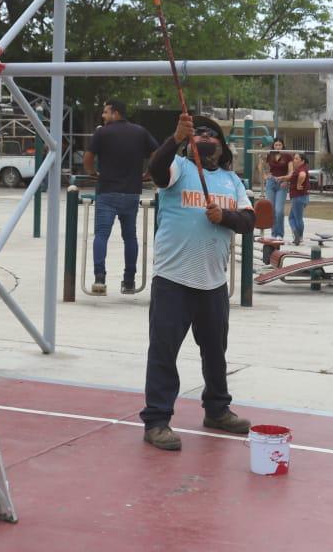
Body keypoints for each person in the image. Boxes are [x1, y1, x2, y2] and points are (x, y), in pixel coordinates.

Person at [140, 114, 256, 451]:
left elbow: (248, 220)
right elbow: (158, 170)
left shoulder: (232, 181)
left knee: (215, 353)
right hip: (173, 280)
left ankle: (217, 410)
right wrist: (174, 138)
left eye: (212, 134)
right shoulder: (178, 166)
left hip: (213, 283)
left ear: (222, 147)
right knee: (164, 352)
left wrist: (226, 217)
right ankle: (157, 420)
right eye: (198, 133)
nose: (205, 137)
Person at [82, 100, 158, 294]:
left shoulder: (102, 133)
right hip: (131, 192)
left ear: (115, 113)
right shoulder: (140, 132)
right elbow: (157, 153)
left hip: (107, 191)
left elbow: (88, 157)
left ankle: (100, 278)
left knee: (101, 235)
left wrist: (92, 173)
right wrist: (150, 173)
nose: (103, 116)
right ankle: (129, 281)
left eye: (106, 112)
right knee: (130, 237)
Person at [262, 138, 292, 237]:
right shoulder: (270, 154)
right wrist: (265, 176)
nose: (278, 147)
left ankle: (279, 234)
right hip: (271, 182)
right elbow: (261, 166)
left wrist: (286, 179)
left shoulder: (287, 156)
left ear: (283, 146)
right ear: (273, 146)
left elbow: (291, 172)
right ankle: (273, 233)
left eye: (279, 145)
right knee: (271, 209)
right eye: (276, 145)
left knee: (279, 210)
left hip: (282, 183)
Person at [286, 151, 312, 245]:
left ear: (302, 161)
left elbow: (302, 175)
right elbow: (291, 177)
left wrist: (298, 184)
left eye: (297, 159)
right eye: (294, 158)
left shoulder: (301, 169)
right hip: (303, 197)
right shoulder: (302, 168)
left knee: (297, 218)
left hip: (298, 197)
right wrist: (282, 178)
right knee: (292, 218)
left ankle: (299, 236)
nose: (294, 160)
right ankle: (297, 234)